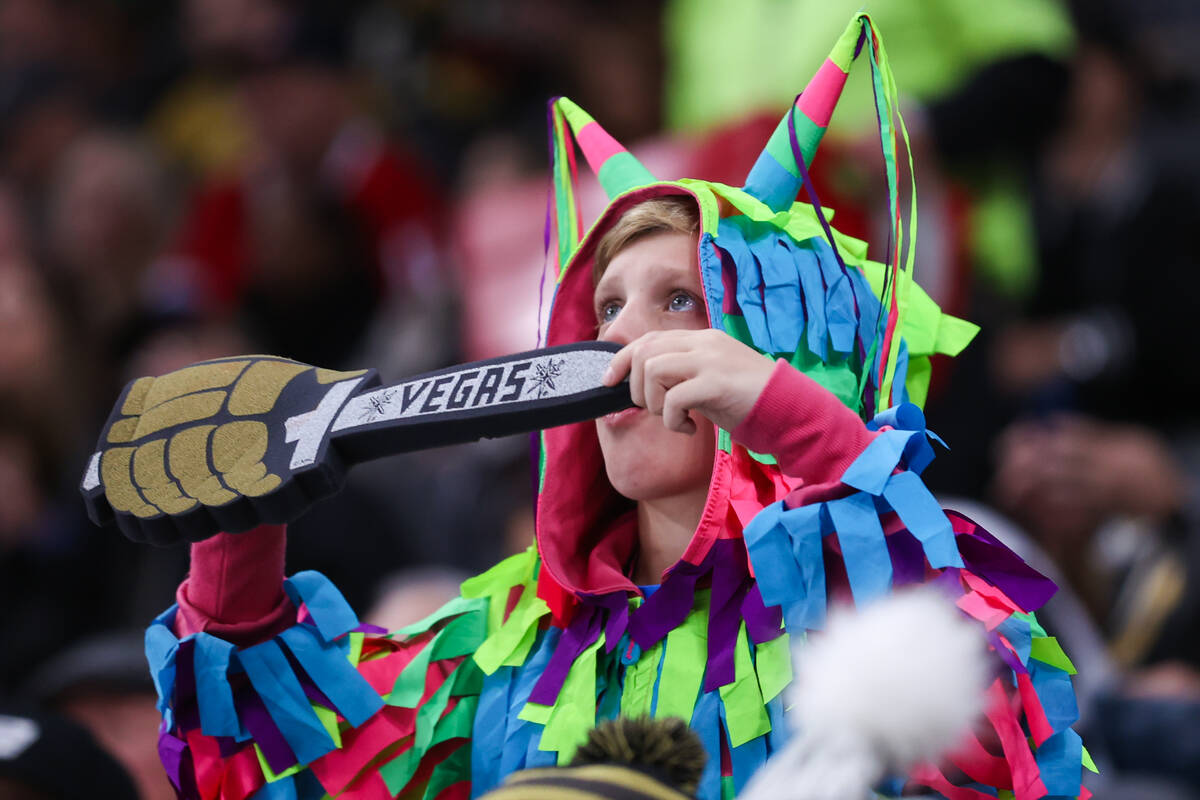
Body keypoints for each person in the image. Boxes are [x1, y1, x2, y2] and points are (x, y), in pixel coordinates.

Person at [96, 15, 1088, 800]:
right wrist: (238, 535)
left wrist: (804, 431)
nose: (627, 342)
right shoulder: (512, 642)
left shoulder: (916, 592)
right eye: (605, 307)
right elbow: (303, 775)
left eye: (680, 302)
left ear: (790, 351)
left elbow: (990, 731)